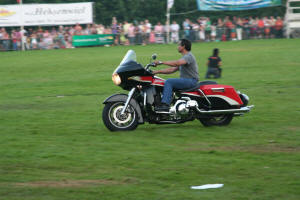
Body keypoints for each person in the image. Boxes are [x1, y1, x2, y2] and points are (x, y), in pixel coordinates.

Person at [153, 39, 199, 112]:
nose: (177, 47)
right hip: (187, 80)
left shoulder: (188, 56)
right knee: (163, 82)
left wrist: (161, 62)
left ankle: (165, 105)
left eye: (179, 45)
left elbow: (177, 63)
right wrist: (156, 72)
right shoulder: (184, 58)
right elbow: (171, 70)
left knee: (169, 82)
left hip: (191, 81)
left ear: (183, 46)